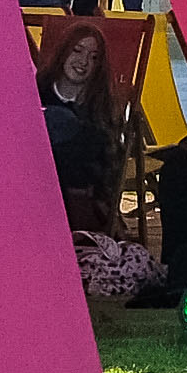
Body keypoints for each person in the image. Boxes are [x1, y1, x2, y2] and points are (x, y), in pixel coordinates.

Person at [38, 25, 131, 238]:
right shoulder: (36, 91)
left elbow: (107, 166)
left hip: (79, 196)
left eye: (94, 57)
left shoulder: (100, 106)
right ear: (63, 52)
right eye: (77, 51)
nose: (83, 61)